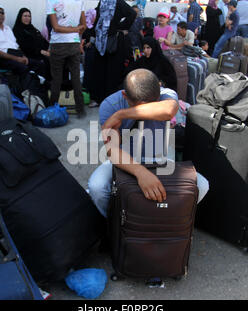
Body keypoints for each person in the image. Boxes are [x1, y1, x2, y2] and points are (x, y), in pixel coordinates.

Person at [87, 68, 209, 218]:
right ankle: (117, 225)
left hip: (158, 160)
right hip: (125, 161)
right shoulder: (110, 105)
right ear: (125, 95)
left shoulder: (166, 94)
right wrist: (141, 173)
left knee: (202, 186)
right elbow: (112, 151)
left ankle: (158, 221)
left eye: (152, 105)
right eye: (140, 106)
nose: (147, 111)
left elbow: (169, 110)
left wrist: (121, 115)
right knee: (96, 187)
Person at [88, 0, 136, 104]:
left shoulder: (118, 2)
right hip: (100, 42)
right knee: (100, 70)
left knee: (112, 71)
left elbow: (132, 14)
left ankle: (110, 100)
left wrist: (118, 27)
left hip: (113, 42)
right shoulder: (103, 2)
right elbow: (98, 20)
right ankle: (100, 98)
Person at [13, 8, 52, 82]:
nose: (27, 18)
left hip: (41, 53)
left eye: (29, 16)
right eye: (25, 16)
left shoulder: (32, 28)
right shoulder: (18, 30)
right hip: (30, 55)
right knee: (46, 62)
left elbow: (42, 40)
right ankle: (47, 85)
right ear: (20, 17)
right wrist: (41, 51)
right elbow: (25, 46)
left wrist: (48, 49)